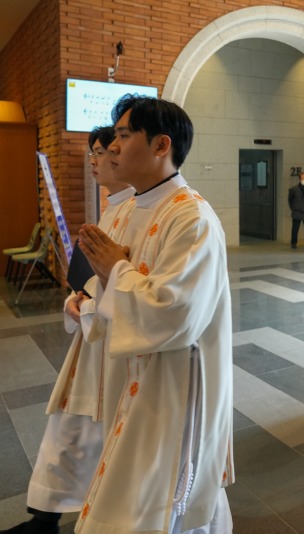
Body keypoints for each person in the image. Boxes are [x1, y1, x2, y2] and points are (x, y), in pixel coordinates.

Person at [74, 95, 234, 533]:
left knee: (165, 499)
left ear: (162, 145)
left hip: (171, 382)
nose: (112, 147)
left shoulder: (192, 218)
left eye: (125, 136)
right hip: (130, 371)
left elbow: (177, 311)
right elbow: (118, 282)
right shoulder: (130, 208)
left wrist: (114, 270)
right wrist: (93, 291)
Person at [0, 127, 134, 534]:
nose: (95, 160)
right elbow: (97, 278)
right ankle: (46, 518)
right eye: (94, 152)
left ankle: (59, 519)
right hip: (95, 339)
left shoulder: (144, 211)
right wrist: (78, 298)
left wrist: (89, 302)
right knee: (71, 428)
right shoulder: (113, 209)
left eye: (103, 151)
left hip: (118, 345)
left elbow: (132, 285)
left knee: (89, 433)